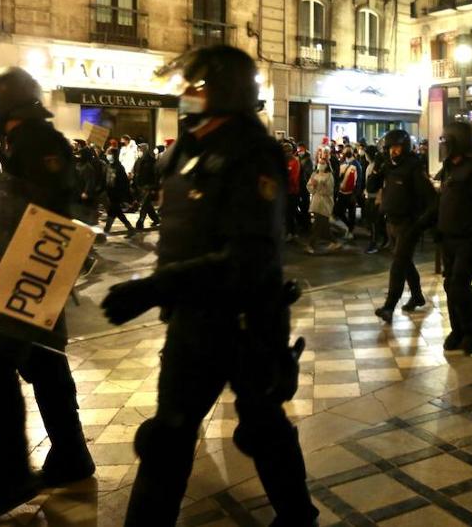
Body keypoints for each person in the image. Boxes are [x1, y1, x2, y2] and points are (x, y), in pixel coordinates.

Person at [100, 45, 319, 525]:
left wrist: (154, 287)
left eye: (195, 87)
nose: (186, 95)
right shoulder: (188, 148)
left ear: (223, 91)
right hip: (193, 319)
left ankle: (298, 517)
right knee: (169, 436)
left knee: (264, 427)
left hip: (246, 322)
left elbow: (248, 256)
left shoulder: (252, 155)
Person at [0, 66, 95, 519]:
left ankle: (13, 475)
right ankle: (71, 455)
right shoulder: (21, 141)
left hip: (36, 271)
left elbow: (43, 210)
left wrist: (8, 258)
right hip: (33, 270)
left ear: (2, 102)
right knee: (45, 361)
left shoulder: (36, 141)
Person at [420, 121, 472, 355]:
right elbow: (442, 202)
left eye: (446, 141)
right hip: (448, 239)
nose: (443, 145)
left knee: (459, 286)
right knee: (450, 285)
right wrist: (425, 224)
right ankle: (458, 331)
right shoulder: (449, 168)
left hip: (469, 239)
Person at [372, 129, 435, 321]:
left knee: (398, 264)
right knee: (405, 262)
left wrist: (421, 223)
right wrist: (376, 169)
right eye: (390, 147)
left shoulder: (413, 168)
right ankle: (417, 296)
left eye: (397, 147)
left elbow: (431, 198)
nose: (393, 151)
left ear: (405, 148)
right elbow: (371, 187)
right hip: (391, 221)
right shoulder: (388, 166)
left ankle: (389, 306)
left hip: (408, 224)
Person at [305, 147, 339, 253]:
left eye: (323, 163)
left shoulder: (329, 176)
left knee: (318, 225)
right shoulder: (315, 174)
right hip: (316, 202)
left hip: (325, 203)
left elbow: (329, 190)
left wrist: (318, 185)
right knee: (322, 226)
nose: (320, 164)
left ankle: (311, 244)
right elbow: (309, 187)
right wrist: (313, 186)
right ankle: (334, 241)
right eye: (319, 162)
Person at [132, 142, 161, 229]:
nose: (139, 151)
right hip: (140, 186)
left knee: (144, 204)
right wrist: (134, 184)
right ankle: (156, 219)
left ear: (144, 150)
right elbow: (135, 173)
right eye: (138, 149)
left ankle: (140, 221)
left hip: (148, 186)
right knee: (147, 205)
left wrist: (154, 187)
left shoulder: (151, 161)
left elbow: (156, 175)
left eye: (140, 149)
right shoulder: (138, 161)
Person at [103, 153, 133, 236]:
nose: (107, 156)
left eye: (109, 154)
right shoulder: (108, 166)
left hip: (116, 193)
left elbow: (124, 182)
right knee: (117, 212)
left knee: (113, 211)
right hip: (110, 193)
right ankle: (130, 228)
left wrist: (125, 195)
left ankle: (106, 231)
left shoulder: (119, 167)